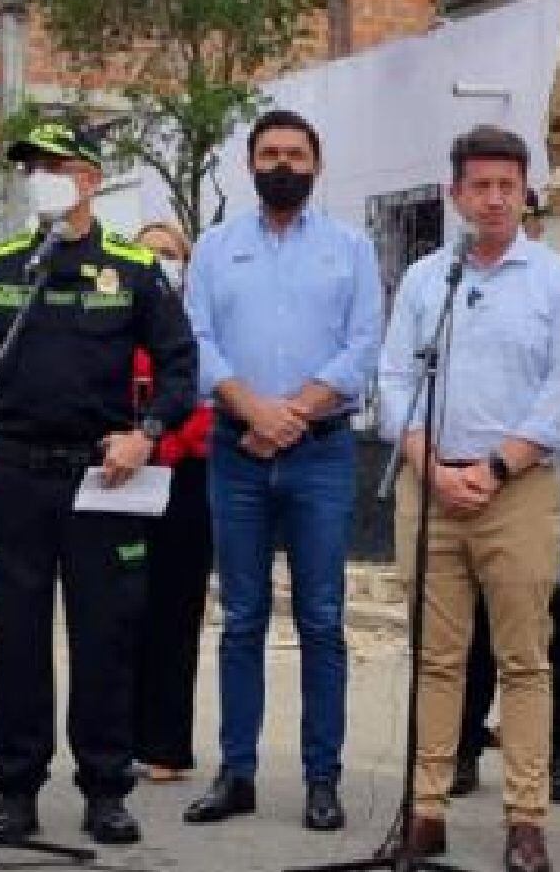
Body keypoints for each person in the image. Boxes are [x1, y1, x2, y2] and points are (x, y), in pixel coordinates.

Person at [0, 120, 197, 847]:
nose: (40, 175)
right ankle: (15, 790)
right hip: (13, 476)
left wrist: (149, 434)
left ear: (90, 178)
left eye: (55, 164)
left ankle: (107, 788)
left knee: (105, 638)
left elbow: (179, 364)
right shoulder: (0, 266)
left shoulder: (135, 269)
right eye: (31, 166)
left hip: (99, 480)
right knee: (15, 639)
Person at [376, 125, 560, 872]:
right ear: (455, 193)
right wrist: (432, 468)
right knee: (437, 659)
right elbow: (395, 382)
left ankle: (525, 818)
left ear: (524, 190)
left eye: (508, 184)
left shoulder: (559, 282)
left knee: (523, 660)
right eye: (480, 185)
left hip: (520, 492)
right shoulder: (423, 281)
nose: (495, 198)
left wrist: (496, 469)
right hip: (430, 487)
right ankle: (427, 809)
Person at [180, 109, 382, 832]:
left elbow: (364, 345)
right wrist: (252, 411)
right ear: (250, 163)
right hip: (237, 453)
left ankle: (321, 778)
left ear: (317, 165)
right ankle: (237, 773)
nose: (283, 163)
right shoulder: (213, 248)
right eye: (270, 152)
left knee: (323, 621)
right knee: (241, 620)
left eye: (296, 153)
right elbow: (196, 339)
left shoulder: (350, 248)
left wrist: (290, 413)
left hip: (322, 453)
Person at [454, 189, 560, 809]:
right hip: (472, 474)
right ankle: (461, 747)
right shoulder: (458, 287)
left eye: (525, 215)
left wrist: (527, 442)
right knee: (472, 623)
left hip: (549, 476)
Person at [128, 220, 215, 786]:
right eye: (149, 254)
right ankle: (115, 740)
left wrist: (166, 442)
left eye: (169, 253)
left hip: (185, 477)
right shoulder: (113, 320)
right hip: (119, 476)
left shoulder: (201, 322)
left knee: (176, 613)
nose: (160, 262)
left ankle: (166, 746)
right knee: (120, 614)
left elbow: (208, 394)